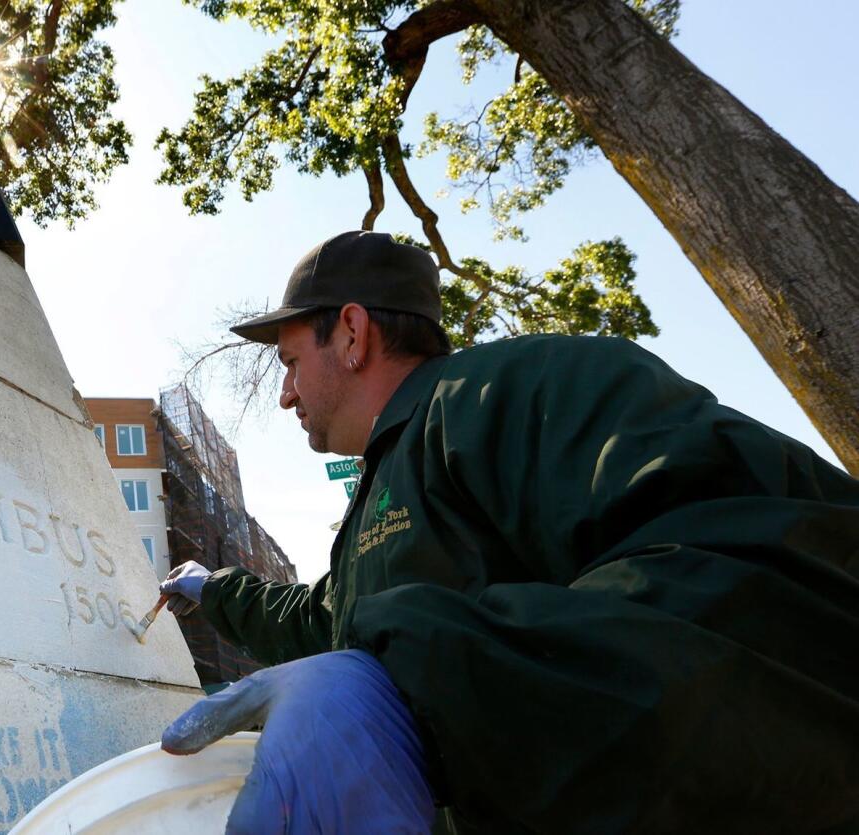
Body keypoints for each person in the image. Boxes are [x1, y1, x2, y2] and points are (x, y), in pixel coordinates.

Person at [157, 231, 859, 834]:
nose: (284, 393)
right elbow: (330, 621)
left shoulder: (519, 390)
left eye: (288, 362)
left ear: (350, 332)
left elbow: (762, 571)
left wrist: (422, 684)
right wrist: (216, 588)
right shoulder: (378, 493)